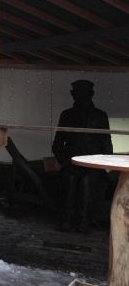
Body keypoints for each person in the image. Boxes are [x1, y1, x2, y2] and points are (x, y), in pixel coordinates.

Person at [52, 79, 113, 232]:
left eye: (84, 93)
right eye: (77, 93)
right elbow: (57, 144)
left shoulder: (100, 116)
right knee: (69, 178)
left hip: (94, 166)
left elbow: (107, 144)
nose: (81, 96)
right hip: (71, 164)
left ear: (91, 94)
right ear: (72, 94)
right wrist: (65, 162)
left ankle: (85, 220)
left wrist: (103, 165)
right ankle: (67, 218)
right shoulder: (66, 115)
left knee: (86, 181)